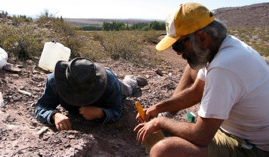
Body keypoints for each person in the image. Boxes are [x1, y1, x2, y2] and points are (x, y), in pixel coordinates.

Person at [134, 2, 269, 157]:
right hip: (235, 132)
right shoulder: (220, 47)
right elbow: (196, 92)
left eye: (179, 46)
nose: (178, 54)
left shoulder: (223, 67)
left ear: (201, 37)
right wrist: (157, 109)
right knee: (191, 67)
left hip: (253, 147)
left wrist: (160, 122)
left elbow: (201, 136)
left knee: (164, 150)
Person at [35, 57, 147, 131]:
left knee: (127, 89)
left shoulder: (110, 83)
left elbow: (117, 110)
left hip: (109, 79)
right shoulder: (54, 81)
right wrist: (54, 115)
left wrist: (101, 113)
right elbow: (41, 106)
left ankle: (132, 79)